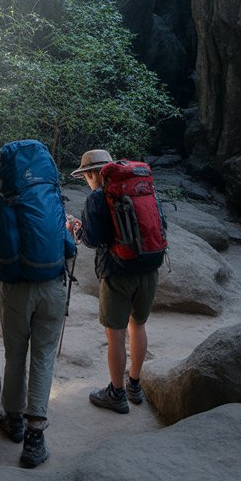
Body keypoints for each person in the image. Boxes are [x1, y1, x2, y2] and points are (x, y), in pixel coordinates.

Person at [0, 139, 77, 469]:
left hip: (16, 289)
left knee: (16, 355)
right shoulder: (51, 195)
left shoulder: (3, 199)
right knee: (44, 355)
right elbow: (68, 247)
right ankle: (35, 437)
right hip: (52, 286)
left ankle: (14, 420)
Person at [71, 148, 159, 414]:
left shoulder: (98, 197)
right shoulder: (140, 187)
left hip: (117, 272)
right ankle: (134, 384)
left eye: (86, 176)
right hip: (149, 266)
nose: (87, 181)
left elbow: (93, 239)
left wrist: (76, 229)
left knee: (116, 335)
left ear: (93, 173)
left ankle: (117, 393)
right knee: (138, 325)